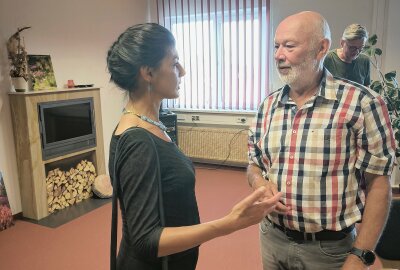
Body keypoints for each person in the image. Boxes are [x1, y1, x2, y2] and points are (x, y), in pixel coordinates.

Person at [106, 23, 282, 270]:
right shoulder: (138, 142)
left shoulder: (150, 127)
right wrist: (229, 223)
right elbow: (145, 241)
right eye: (174, 62)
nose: (183, 71)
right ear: (148, 73)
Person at [247, 11, 395, 270]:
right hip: (272, 239)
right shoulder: (267, 106)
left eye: (289, 46)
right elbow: (254, 163)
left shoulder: (363, 103)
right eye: (276, 46)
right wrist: (260, 182)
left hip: (330, 251)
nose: (278, 55)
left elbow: (379, 184)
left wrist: (361, 255)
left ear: (321, 48)